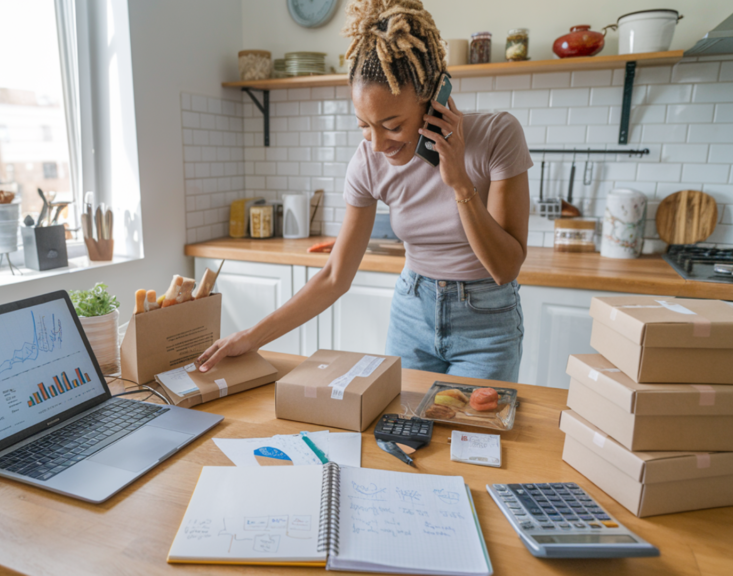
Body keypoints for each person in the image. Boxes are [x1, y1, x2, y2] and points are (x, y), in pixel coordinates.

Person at [198, 0, 532, 382]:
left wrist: (458, 182)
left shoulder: (497, 135)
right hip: (411, 314)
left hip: (487, 322)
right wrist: (250, 337)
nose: (376, 144)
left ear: (433, 98)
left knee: (474, 438)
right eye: (364, 125)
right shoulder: (367, 162)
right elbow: (335, 276)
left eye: (392, 125)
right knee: (402, 438)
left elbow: (506, 268)